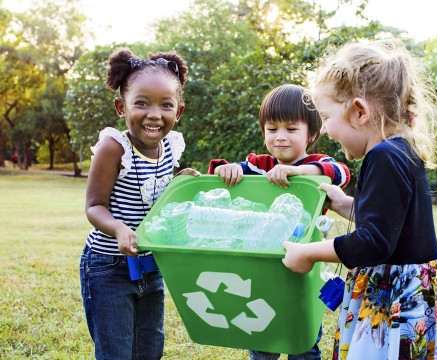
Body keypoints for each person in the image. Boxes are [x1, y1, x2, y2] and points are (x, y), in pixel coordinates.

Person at [282, 40, 437, 359]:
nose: (325, 130)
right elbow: (389, 221)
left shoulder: (383, 156)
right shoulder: (401, 149)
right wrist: (343, 202)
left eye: (327, 118)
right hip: (416, 289)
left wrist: (309, 253)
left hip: (400, 300)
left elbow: (374, 242)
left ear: (359, 112)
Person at [208, 84, 351, 360]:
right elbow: (225, 176)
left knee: (303, 338)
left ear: (311, 133)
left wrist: (298, 170)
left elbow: (339, 173)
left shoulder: (317, 162)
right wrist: (229, 169)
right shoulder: (259, 165)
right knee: (262, 334)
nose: (280, 137)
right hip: (262, 262)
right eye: (272, 129)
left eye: (291, 129)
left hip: (305, 265)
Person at [80, 48, 199, 360]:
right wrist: (119, 229)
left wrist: (182, 183)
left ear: (179, 111)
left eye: (166, 105)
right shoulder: (113, 148)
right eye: (141, 103)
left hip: (151, 265)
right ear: (122, 106)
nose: (154, 114)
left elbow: (157, 197)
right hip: (109, 268)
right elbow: (94, 206)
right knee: (116, 351)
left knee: (150, 349)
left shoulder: (171, 147)